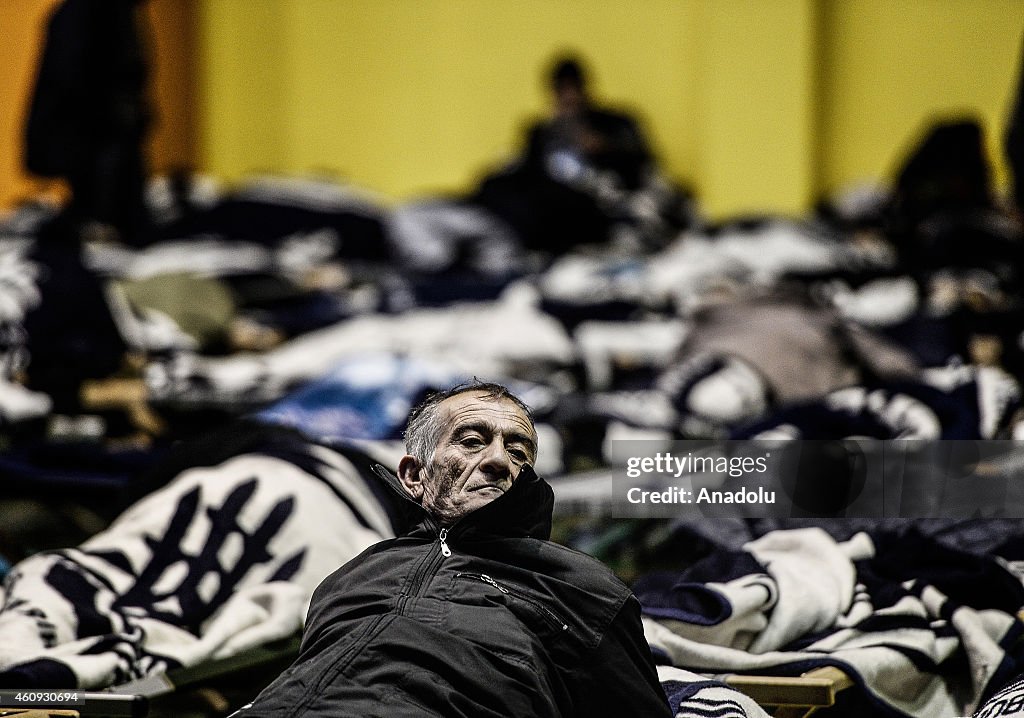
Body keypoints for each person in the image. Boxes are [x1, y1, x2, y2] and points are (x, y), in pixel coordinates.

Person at [230, 381, 673, 717]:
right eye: (472, 442)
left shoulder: (582, 587)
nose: (499, 460)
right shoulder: (354, 574)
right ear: (414, 475)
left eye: (518, 452)